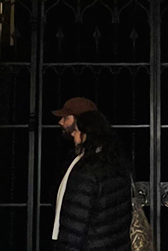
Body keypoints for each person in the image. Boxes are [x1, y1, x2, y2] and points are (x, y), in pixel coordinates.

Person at [52, 107, 133, 251]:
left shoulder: (85, 171)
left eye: (77, 131)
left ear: (87, 135)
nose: (74, 134)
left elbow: (75, 224)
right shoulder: (118, 166)